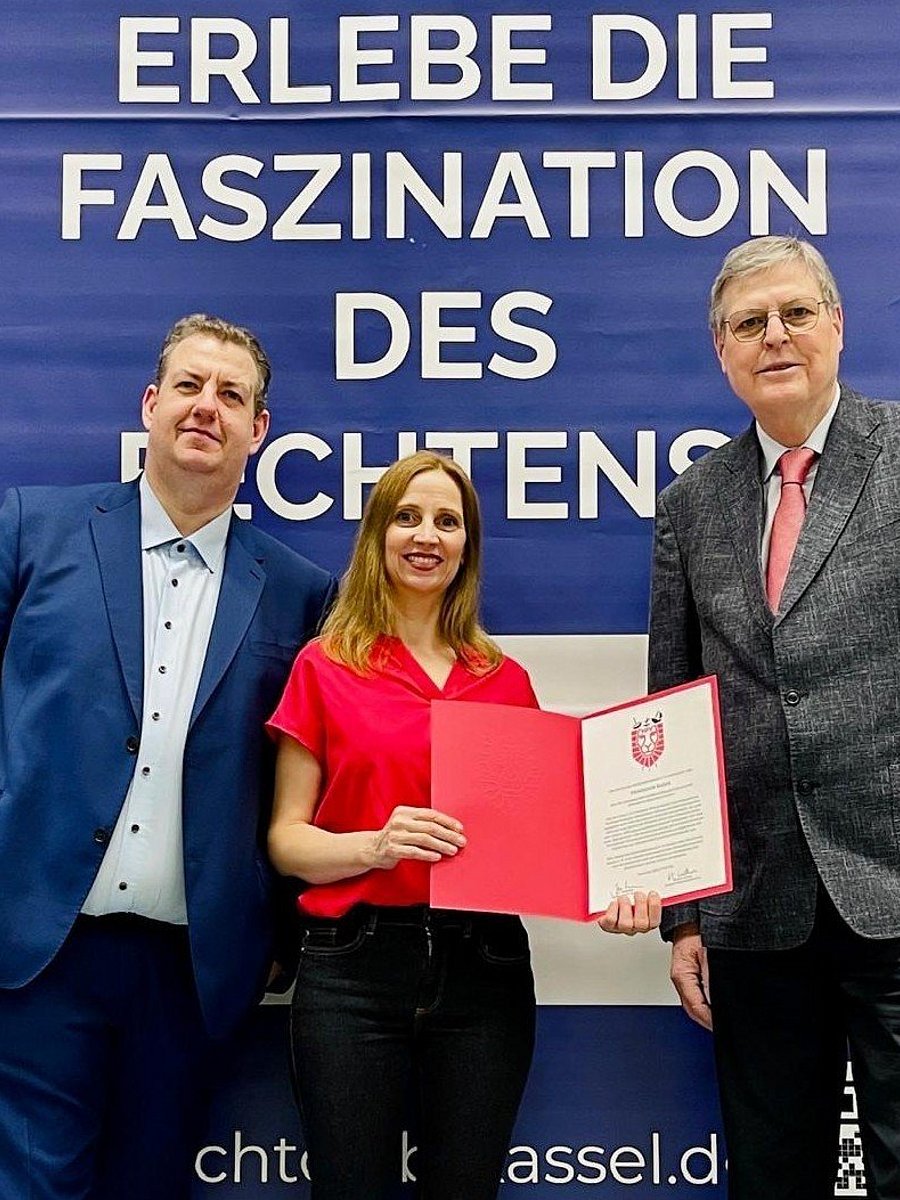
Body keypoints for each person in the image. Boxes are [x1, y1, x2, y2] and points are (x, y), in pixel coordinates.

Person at [0, 314, 335, 1200]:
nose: (206, 407)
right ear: (151, 403)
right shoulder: (33, 531)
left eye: (231, 396)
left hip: (192, 975)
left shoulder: (300, 593)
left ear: (258, 429)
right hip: (35, 952)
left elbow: (309, 779)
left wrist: (282, 938)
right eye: (188, 386)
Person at [268, 449, 658, 1200]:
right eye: (407, 517)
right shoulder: (325, 665)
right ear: (377, 535)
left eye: (447, 522)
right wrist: (373, 845)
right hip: (353, 968)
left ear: (468, 547)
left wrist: (617, 891)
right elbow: (286, 839)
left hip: (486, 968)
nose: (427, 536)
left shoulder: (504, 680)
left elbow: (550, 845)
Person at [649, 234, 900, 1198]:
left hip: (893, 890)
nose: (776, 337)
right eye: (750, 323)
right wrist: (683, 915)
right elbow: (673, 709)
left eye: (796, 313)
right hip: (756, 911)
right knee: (771, 1179)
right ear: (722, 350)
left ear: (837, 324)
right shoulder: (690, 505)